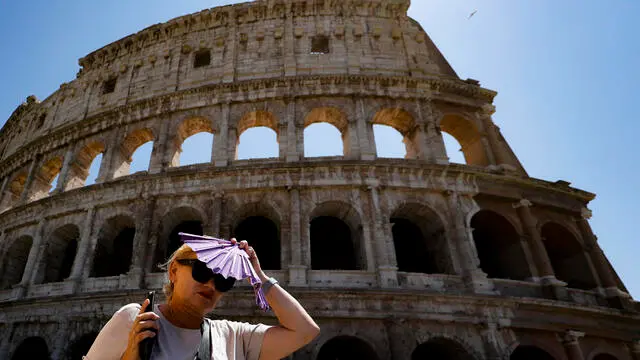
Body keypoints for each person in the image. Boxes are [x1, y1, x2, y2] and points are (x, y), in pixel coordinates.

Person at [85, 238, 320, 360]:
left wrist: (259, 276)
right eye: (202, 271)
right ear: (174, 271)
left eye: (224, 280)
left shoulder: (233, 336)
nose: (211, 284)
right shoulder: (135, 319)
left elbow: (304, 331)